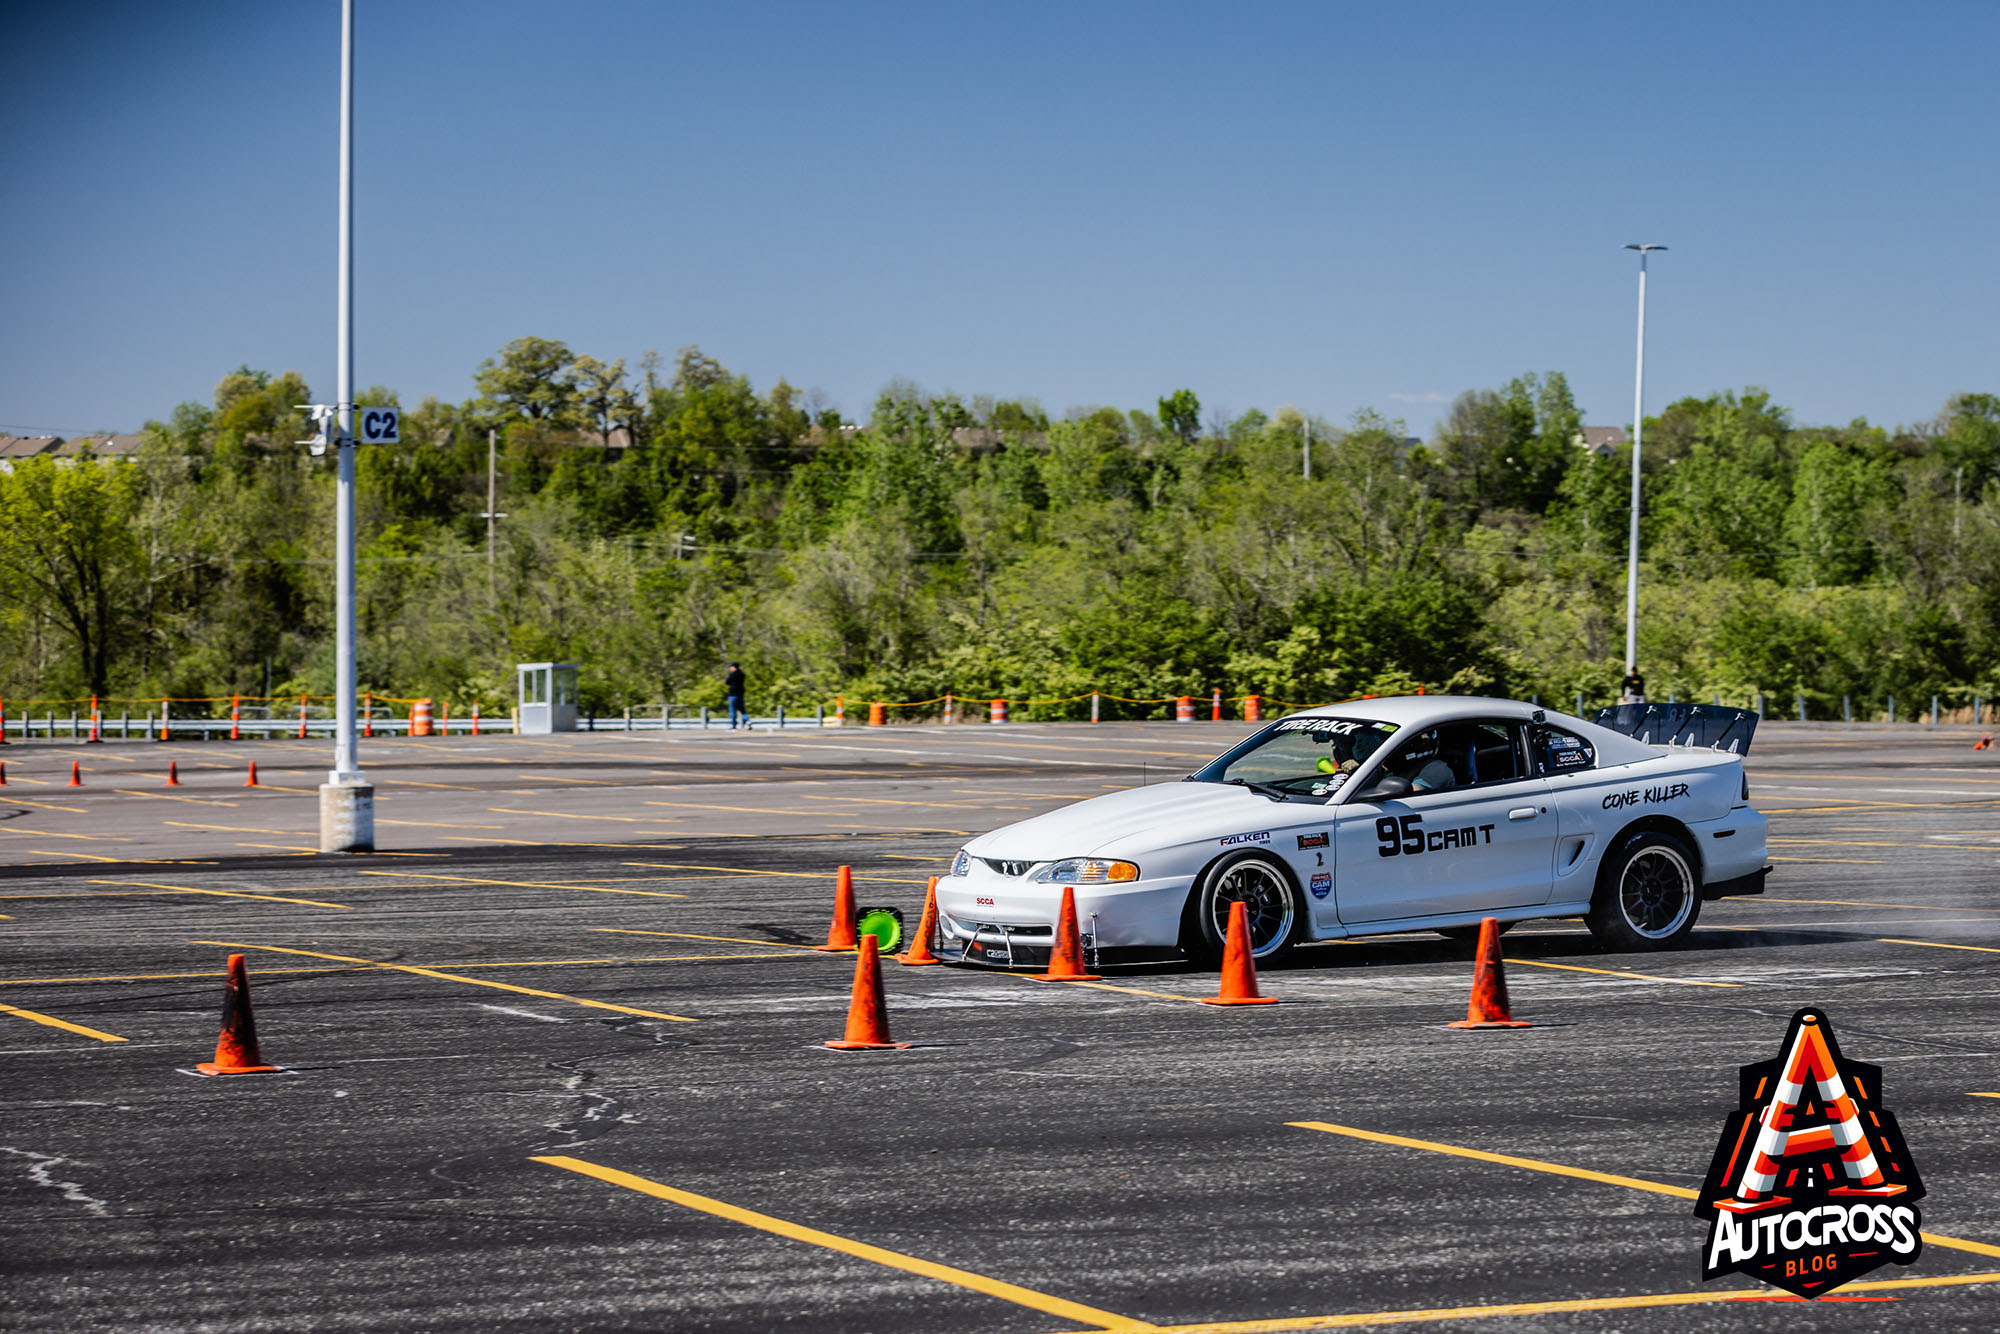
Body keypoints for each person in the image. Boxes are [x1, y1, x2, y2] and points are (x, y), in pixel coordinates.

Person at [724, 661, 747, 730]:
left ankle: (734, 725)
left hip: (733, 694)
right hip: (741, 694)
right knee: (742, 710)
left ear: (733, 667)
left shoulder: (732, 674)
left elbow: (727, 682)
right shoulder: (742, 674)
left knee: (733, 710)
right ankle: (748, 721)